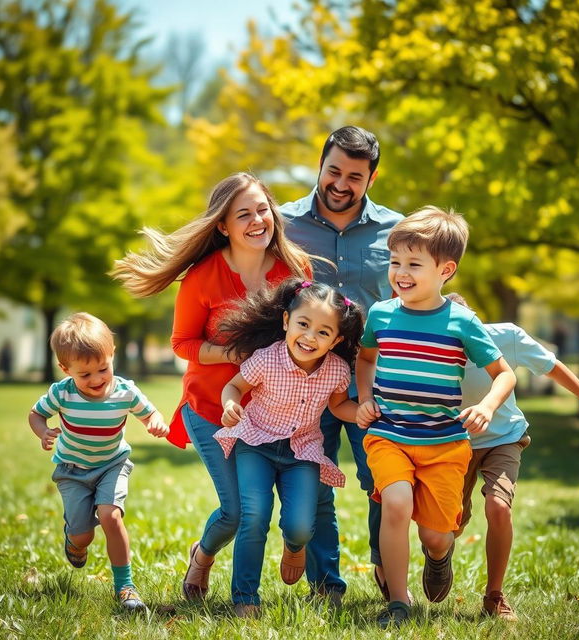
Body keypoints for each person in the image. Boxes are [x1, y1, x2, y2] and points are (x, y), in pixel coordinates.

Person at [111, 173, 312, 601]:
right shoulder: (203, 277)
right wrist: (230, 356)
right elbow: (181, 342)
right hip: (209, 409)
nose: (258, 220)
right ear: (223, 225)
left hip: (273, 415)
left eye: (262, 209)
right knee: (235, 512)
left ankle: (287, 555)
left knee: (273, 509)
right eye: (244, 214)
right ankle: (201, 557)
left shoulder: (295, 269)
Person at [355, 208, 517, 627]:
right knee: (395, 501)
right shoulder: (381, 314)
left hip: (444, 442)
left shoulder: (462, 322)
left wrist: (485, 406)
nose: (400, 273)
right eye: (395, 262)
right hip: (388, 433)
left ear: (445, 270)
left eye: (413, 264)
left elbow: (505, 374)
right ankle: (397, 603)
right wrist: (367, 398)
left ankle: (438, 556)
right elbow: (366, 357)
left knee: (436, 534)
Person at [280, 125, 403, 604]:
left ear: (371, 178)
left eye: (354, 176)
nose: (340, 183)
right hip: (304, 384)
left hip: (374, 381)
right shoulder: (283, 224)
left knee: (382, 478)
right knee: (313, 479)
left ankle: (385, 564)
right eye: (334, 170)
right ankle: (324, 584)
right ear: (321, 163)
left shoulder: (398, 229)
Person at [446, 292, 579, 621]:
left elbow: (551, 366)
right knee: (449, 525)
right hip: (455, 442)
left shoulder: (505, 337)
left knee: (499, 506)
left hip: (505, 437)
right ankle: (439, 557)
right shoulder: (430, 347)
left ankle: (494, 596)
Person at [212, 278, 364, 617]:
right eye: (303, 324)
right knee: (254, 516)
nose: (310, 337)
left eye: (324, 332)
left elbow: (339, 407)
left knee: (300, 525)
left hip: (302, 452)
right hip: (256, 443)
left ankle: (294, 545)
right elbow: (233, 387)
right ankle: (245, 597)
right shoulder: (267, 359)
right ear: (286, 322)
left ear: (337, 340)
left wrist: (363, 413)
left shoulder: (338, 370)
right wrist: (230, 405)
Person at [27, 312, 169, 612]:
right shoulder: (61, 393)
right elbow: (36, 413)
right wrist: (43, 431)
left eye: (103, 369)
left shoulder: (124, 390)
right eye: (85, 374)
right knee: (83, 535)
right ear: (65, 369)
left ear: (112, 355)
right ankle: (74, 541)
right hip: (72, 470)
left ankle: (125, 587)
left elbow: (150, 412)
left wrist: (156, 422)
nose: (97, 380)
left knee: (110, 516)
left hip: (112, 465)